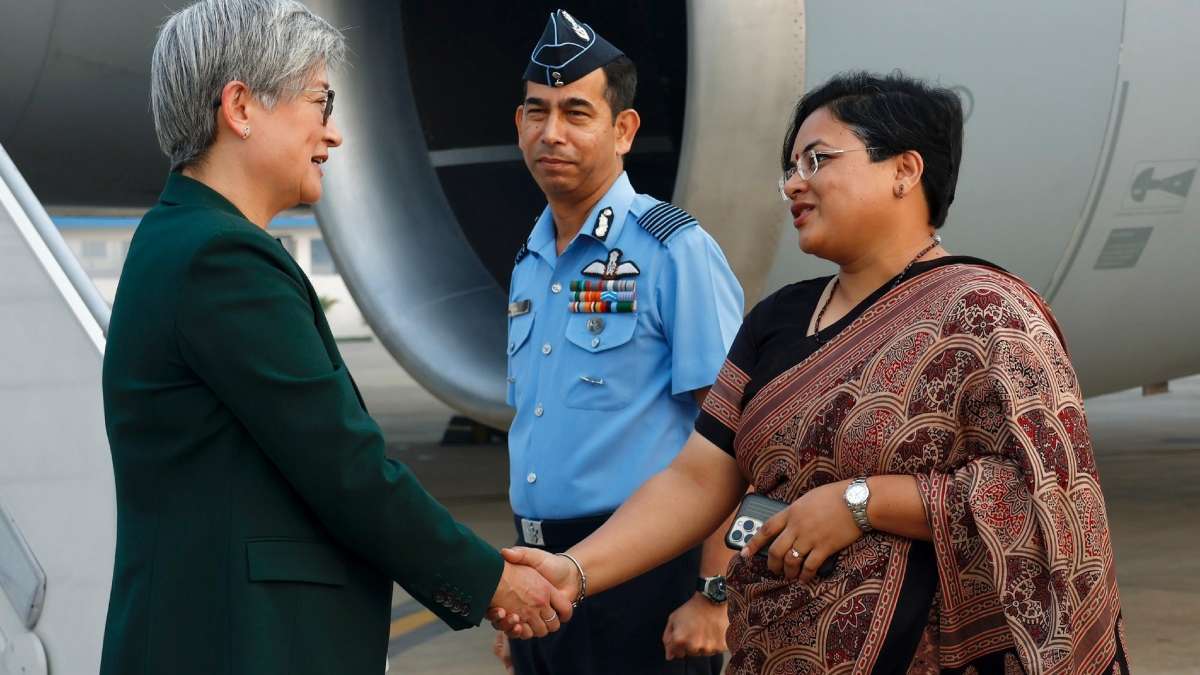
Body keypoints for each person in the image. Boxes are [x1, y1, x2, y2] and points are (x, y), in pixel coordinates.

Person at [499, 71, 1131, 674]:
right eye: (790, 168)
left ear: (905, 171)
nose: (795, 184)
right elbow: (698, 478)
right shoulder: (780, 319)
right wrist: (574, 572)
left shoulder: (988, 314)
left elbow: (1047, 502)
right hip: (777, 651)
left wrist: (863, 503)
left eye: (818, 160)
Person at [99, 2, 568, 673]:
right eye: (320, 101)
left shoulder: (183, 240)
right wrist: (489, 579)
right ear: (241, 108)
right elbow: (345, 466)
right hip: (238, 647)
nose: (334, 133)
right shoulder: (220, 259)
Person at [494, 10, 745, 675]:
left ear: (623, 129)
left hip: (648, 575)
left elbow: (733, 436)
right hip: (541, 574)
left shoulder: (672, 250)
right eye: (535, 111)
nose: (551, 132)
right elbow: (536, 428)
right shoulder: (530, 261)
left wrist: (713, 592)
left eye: (576, 112)